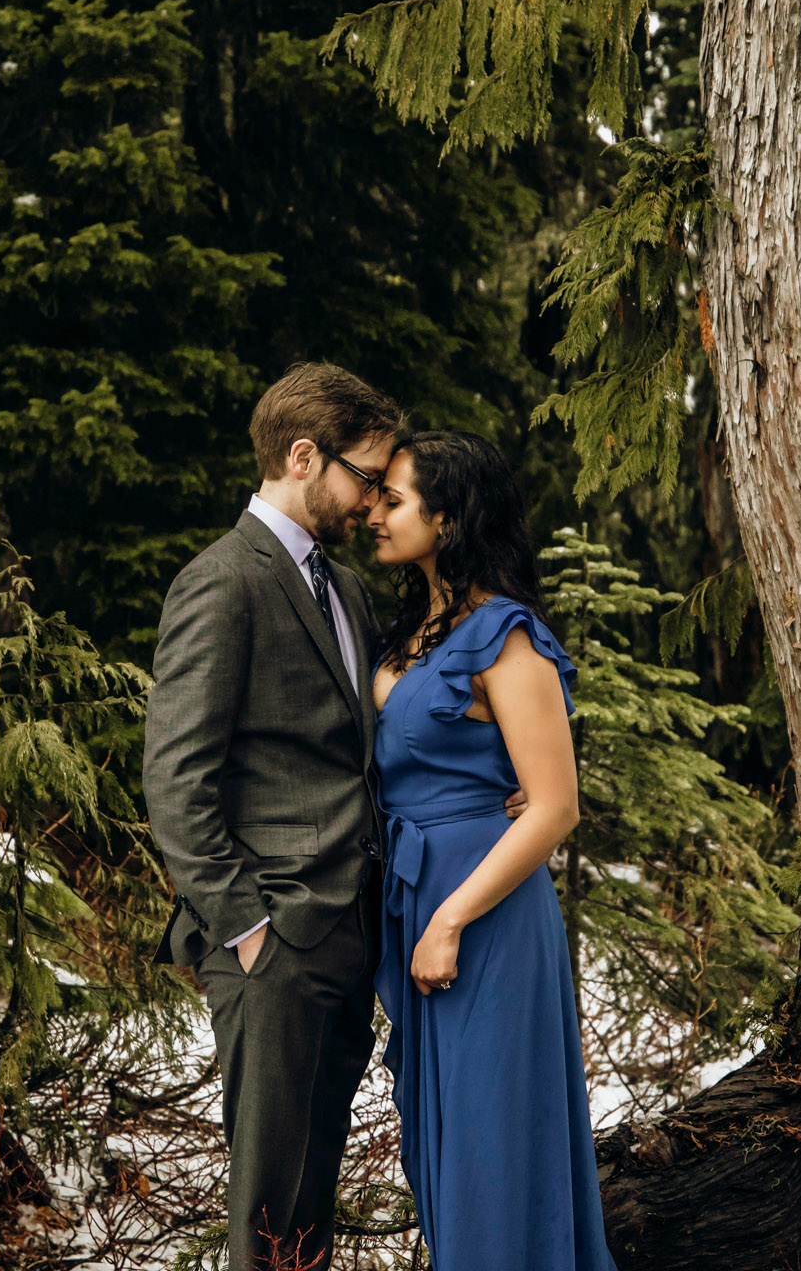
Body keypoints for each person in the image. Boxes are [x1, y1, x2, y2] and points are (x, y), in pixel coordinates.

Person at [141, 363, 407, 1271]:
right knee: (268, 1202)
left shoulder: (347, 591)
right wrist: (249, 927)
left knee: (309, 1196)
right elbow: (177, 778)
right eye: (365, 477)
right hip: (276, 941)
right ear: (304, 457)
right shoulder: (223, 582)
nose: (374, 503)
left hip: (347, 928)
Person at [366, 430, 618, 1271]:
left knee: (491, 1149)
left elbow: (554, 808)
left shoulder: (505, 635)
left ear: (447, 516)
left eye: (393, 498)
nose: (373, 511)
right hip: (421, 901)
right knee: (444, 1148)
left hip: (484, 920)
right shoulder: (412, 629)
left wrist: (449, 920)